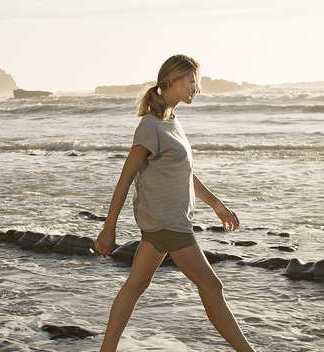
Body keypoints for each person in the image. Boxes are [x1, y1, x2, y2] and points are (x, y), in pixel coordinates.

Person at [93, 55, 255, 352]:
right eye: (192, 81)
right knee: (212, 286)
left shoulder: (171, 120)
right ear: (173, 81)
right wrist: (109, 227)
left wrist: (216, 204)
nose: (197, 88)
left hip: (167, 219)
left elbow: (183, 172)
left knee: (136, 284)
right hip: (168, 222)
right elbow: (125, 177)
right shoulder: (151, 125)